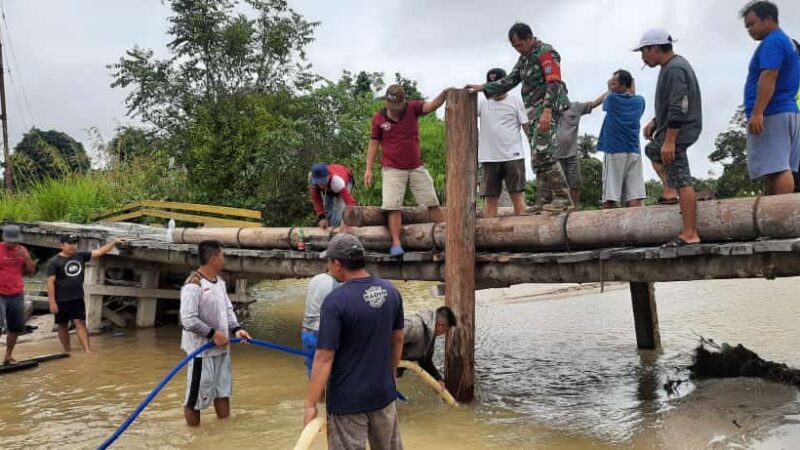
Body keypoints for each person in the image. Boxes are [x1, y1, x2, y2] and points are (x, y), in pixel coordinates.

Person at [304, 234, 404, 449]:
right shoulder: (391, 291)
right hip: (383, 393)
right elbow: (397, 339)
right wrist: (391, 375)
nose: (328, 266)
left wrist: (310, 404)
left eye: (329, 261)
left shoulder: (335, 302)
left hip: (347, 400)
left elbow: (324, 357)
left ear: (337, 264)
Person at [467, 22, 574, 213]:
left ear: (529, 38)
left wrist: (547, 111)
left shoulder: (545, 53)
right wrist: (483, 87)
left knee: (544, 152)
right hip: (533, 110)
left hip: (547, 108)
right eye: (514, 47)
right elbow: (509, 80)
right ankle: (543, 200)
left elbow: (554, 82)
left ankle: (564, 199)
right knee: (538, 157)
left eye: (519, 45)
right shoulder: (524, 59)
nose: (518, 49)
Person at [365, 84, 450, 257]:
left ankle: (448, 235)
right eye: (391, 107)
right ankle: (396, 243)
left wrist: (445, 93)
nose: (394, 111)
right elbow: (373, 144)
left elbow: (431, 106)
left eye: (397, 107)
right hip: (392, 168)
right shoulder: (379, 119)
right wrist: (368, 169)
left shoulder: (413, 108)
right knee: (393, 206)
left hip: (415, 166)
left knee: (431, 202)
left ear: (404, 102)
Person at [635, 29, 702, 246]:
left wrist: (670, 139)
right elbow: (671, 100)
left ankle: (690, 233)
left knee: (683, 178)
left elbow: (680, 104)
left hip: (680, 131)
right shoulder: (670, 67)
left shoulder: (675, 68)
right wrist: (655, 121)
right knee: (652, 150)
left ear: (654, 48)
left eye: (644, 52)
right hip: (671, 128)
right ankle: (670, 190)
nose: (643, 58)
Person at [180, 240, 251, 427]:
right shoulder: (193, 285)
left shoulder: (219, 282)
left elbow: (227, 311)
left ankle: (224, 432)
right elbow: (188, 320)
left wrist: (237, 329)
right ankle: (194, 438)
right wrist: (213, 334)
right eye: (222, 255)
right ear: (213, 259)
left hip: (222, 349)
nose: (224, 258)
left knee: (223, 392)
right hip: (201, 352)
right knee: (194, 399)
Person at [741, 1, 800, 195]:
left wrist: (758, 112)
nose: (750, 30)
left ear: (769, 20)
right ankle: (772, 213)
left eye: (752, 24)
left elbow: (769, 76)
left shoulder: (773, 41)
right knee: (776, 168)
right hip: (786, 111)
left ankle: (781, 217)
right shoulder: (786, 42)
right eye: (747, 26)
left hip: (773, 111)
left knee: (779, 168)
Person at [46, 234, 123, 353]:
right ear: (61, 245)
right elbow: (50, 283)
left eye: (75, 243)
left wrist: (113, 243)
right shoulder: (54, 262)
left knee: (80, 322)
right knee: (62, 325)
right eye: (69, 243)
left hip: (77, 297)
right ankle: (67, 350)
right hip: (61, 299)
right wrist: (52, 302)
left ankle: (87, 350)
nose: (73, 246)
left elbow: (98, 252)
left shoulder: (80, 256)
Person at [478, 68, 530, 217]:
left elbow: (526, 125)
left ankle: (522, 234)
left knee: (517, 196)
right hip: (489, 157)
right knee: (490, 198)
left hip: (513, 155)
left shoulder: (515, 101)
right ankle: (489, 234)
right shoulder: (482, 104)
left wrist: (533, 148)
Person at [545, 94, 606, 209]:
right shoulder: (548, 111)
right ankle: (559, 208)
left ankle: (575, 208)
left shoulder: (576, 107)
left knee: (575, 183)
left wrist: (608, 92)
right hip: (555, 155)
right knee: (557, 185)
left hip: (572, 154)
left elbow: (593, 104)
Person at [598, 70, 647, 209]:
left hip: (614, 151)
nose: (610, 83)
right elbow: (632, 94)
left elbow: (606, 99)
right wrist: (628, 84)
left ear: (621, 85)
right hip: (634, 152)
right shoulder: (640, 101)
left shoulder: (612, 99)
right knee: (634, 196)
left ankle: (608, 227)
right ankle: (637, 227)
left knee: (610, 196)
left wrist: (610, 88)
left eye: (613, 82)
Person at [0, 224, 36, 365]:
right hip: (0, 293)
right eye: (9, 241)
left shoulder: (22, 250)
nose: (12, 244)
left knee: (15, 327)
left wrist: (27, 258)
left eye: (14, 241)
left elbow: (31, 271)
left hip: (16, 293)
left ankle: (8, 356)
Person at [400, 306, 457, 389]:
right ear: (440, 326)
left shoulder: (430, 334)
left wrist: (437, 379)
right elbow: (387, 335)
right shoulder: (415, 327)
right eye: (446, 330)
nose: (444, 334)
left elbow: (425, 361)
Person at [301, 270, 340, 377]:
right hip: (322, 334)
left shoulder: (316, 278)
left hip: (307, 332)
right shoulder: (336, 285)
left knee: (315, 378)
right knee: (331, 378)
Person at [309, 162, 357, 230]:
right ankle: (329, 229)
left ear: (328, 176)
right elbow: (316, 199)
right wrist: (322, 217)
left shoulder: (337, 181)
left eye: (323, 182)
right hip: (331, 187)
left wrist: (346, 219)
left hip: (345, 180)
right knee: (328, 209)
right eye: (318, 182)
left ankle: (342, 229)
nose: (321, 185)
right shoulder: (312, 179)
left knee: (340, 211)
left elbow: (351, 203)